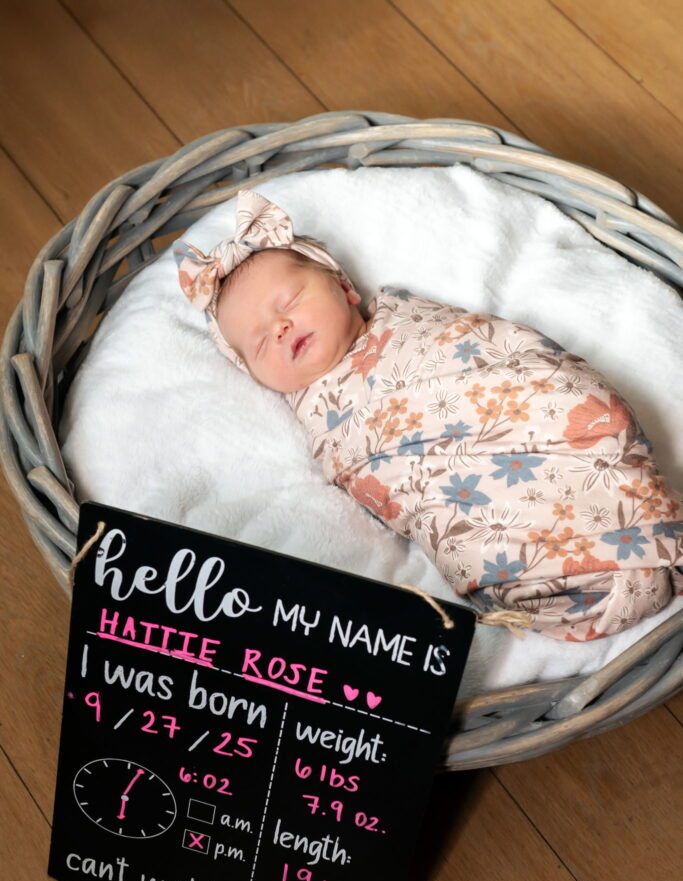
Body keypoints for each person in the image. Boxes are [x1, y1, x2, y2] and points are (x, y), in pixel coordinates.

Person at [176, 190, 683, 641]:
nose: (280, 327)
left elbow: (500, 354)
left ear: (345, 288)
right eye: (260, 343)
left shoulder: (407, 320)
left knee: (565, 405)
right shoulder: (321, 422)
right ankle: (583, 569)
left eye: (289, 301)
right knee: (477, 536)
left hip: (522, 408)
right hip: (459, 488)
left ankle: (628, 517)